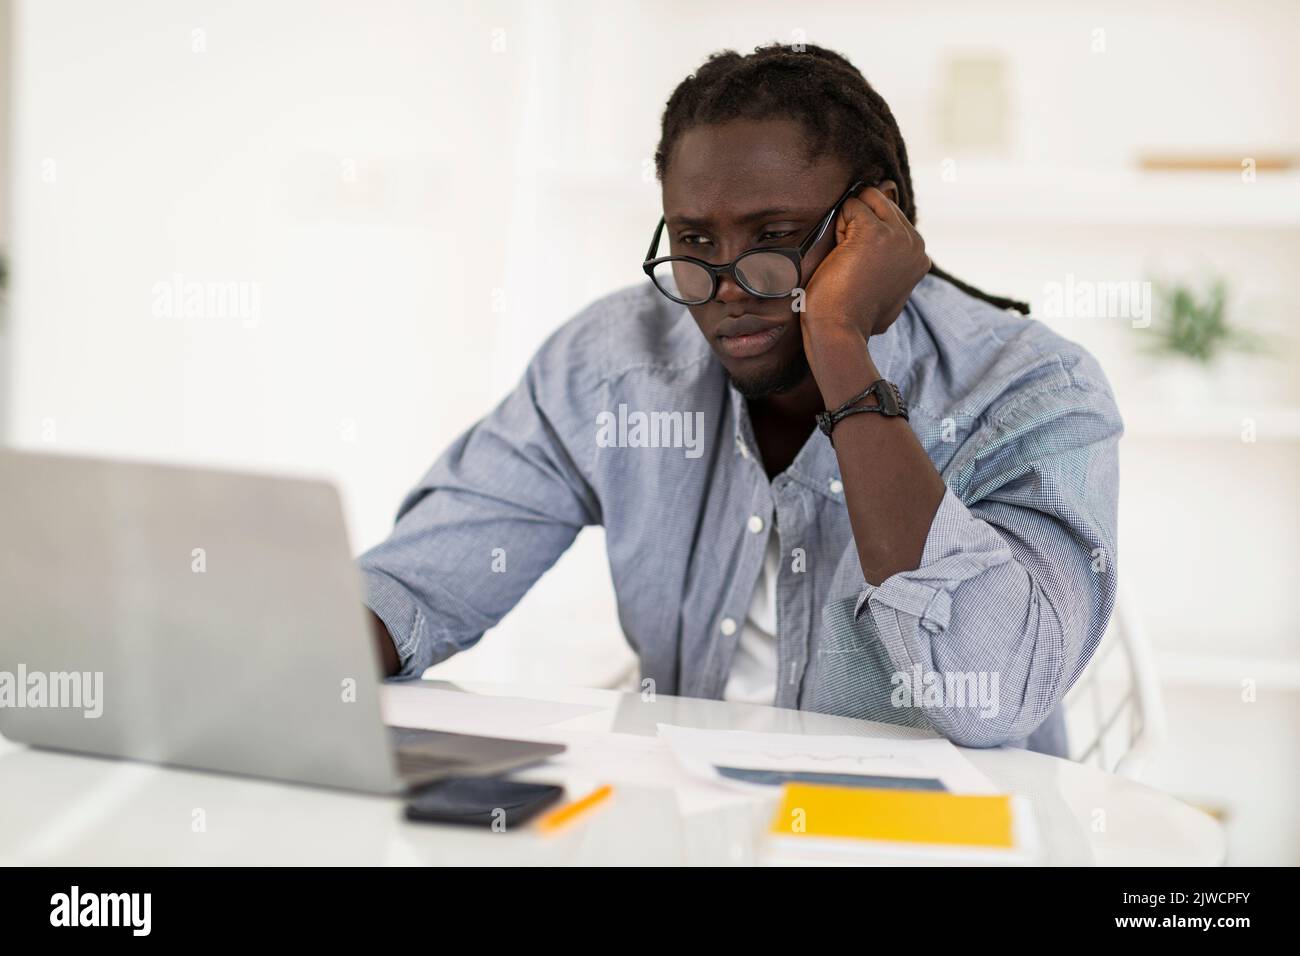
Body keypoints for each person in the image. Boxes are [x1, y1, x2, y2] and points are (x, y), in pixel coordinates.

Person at [359, 43, 1121, 755]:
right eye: (694, 243)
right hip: (694, 820)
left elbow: (988, 692)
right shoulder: (612, 366)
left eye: (775, 235)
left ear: (873, 223)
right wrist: (298, 658)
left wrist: (839, 344)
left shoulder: (1027, 390)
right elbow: (419, 581)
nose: (725, 288)